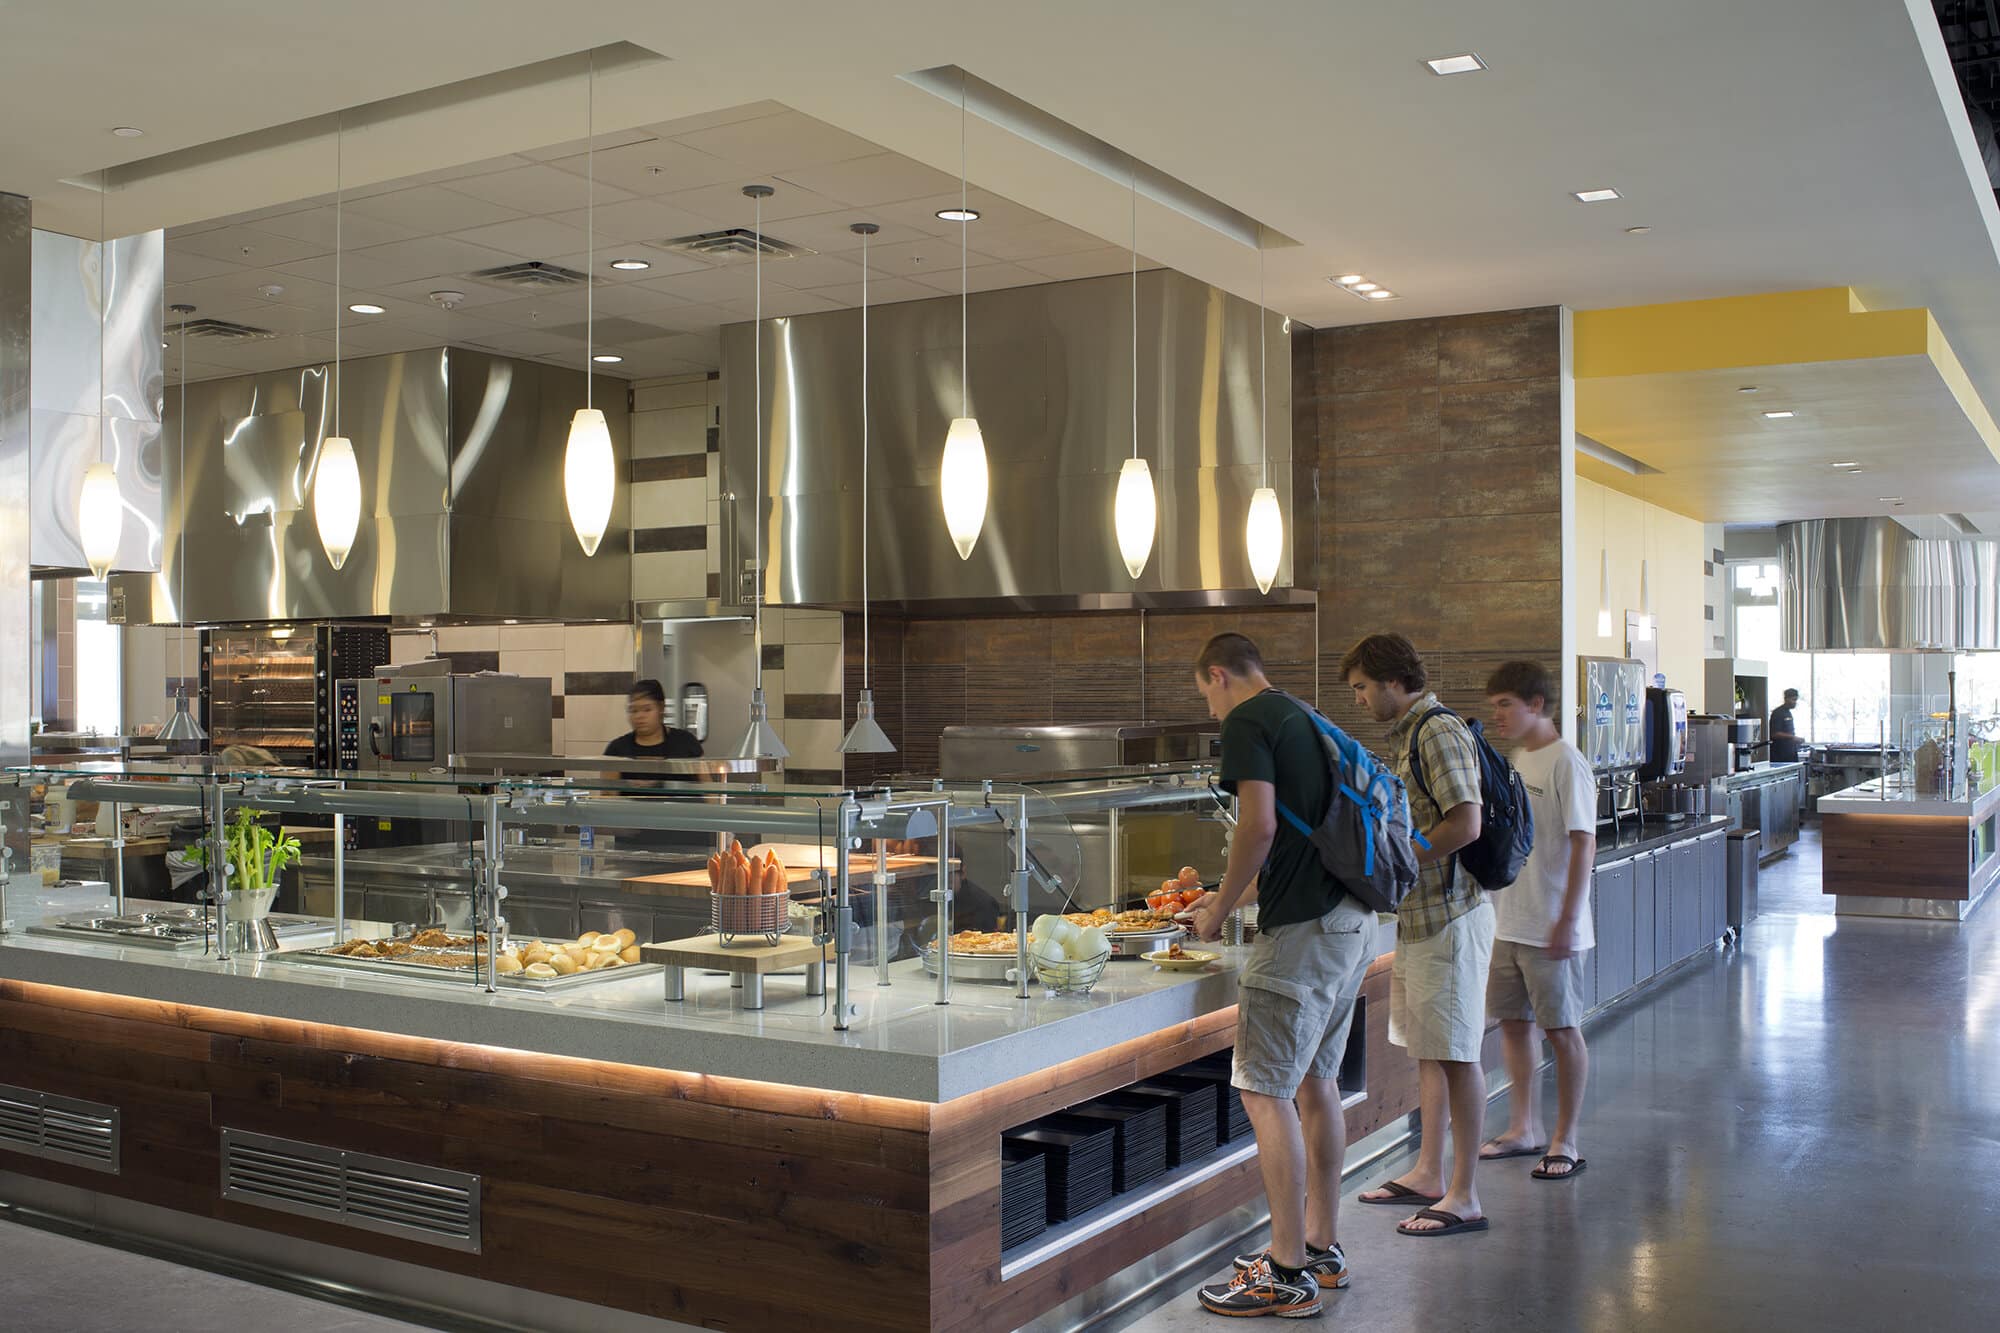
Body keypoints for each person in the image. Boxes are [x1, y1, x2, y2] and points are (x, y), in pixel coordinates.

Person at [1186, 632, 1373, 1318]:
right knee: (1316, 1084)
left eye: (1205, 692)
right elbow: (1297, 843)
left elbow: (1258, 826)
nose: (1209, 708)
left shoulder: (1248, 719)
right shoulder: (1304, 714)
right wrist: (1228, 896)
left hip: (1301, 939)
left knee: (1265, 1093)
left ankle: (1285, 1267)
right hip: (1350, 922)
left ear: (1218, 675)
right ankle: (1320, 1245)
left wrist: (1219, 909)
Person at [1344, 632, 1496, 1238]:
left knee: (1458, 1054)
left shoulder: (1436, 729)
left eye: (1360, 688)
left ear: (1390, 680)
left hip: (1451, 918)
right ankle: (1431, 1171)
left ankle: (1465, 1194)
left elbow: (1467, 820)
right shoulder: (1407, 734)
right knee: (1430, 1051)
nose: (1357, 700)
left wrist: (1405, 856)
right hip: (1422, 917)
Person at [1478, 661, 1595, 1183]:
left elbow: (1583, 841)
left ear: (1536, 704)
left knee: (1562, 1031)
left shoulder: (1566, 763)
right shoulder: (1518, 759)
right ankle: (1523, 1127)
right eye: (1495, 705)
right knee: (1514, 1025)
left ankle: (1565, 1139)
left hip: (1551, 926)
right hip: (1510, 921)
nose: (1496, 714)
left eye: (1505, 704)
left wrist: (1567, 920)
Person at [603, 679, 702, 777]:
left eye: (647, 709)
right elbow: (609, 792)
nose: (639, 716)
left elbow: (707, 787)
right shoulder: (617, 749)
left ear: (661, 708)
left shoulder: (686, 742)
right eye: (634, 710)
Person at [1769, 688, 1803, 763]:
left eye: (1796, 700)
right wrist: (1793, 737)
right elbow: (1775, 734)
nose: (1795, 702)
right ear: (1786, 699)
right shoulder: (1778, 713)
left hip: (1790, 752)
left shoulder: (1788, 713)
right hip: (1780, 754)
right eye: (1793, 700)